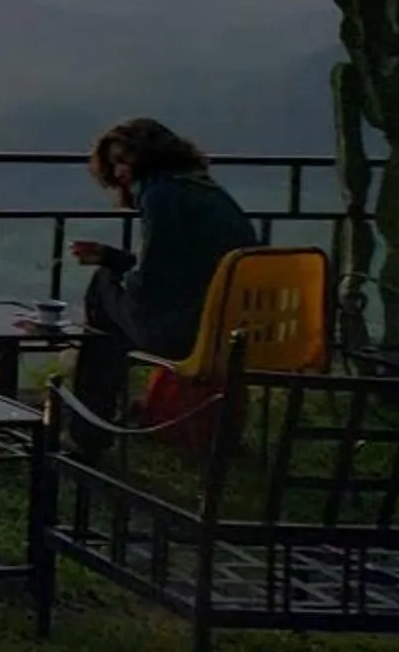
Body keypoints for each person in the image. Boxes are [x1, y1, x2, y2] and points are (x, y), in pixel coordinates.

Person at [69, 116, 261, 426]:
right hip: (236, 333)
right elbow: (180, 264)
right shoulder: (203, 189)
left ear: (147, 155)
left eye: (123, 160)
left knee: (103, 290)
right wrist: (113, 257)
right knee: (109, 294)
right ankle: (98, 419)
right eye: (113, 163)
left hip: (186, 335)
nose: (119, 172)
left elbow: (152, 285)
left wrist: (118, 274)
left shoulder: (160, 195)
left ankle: (90, 426)